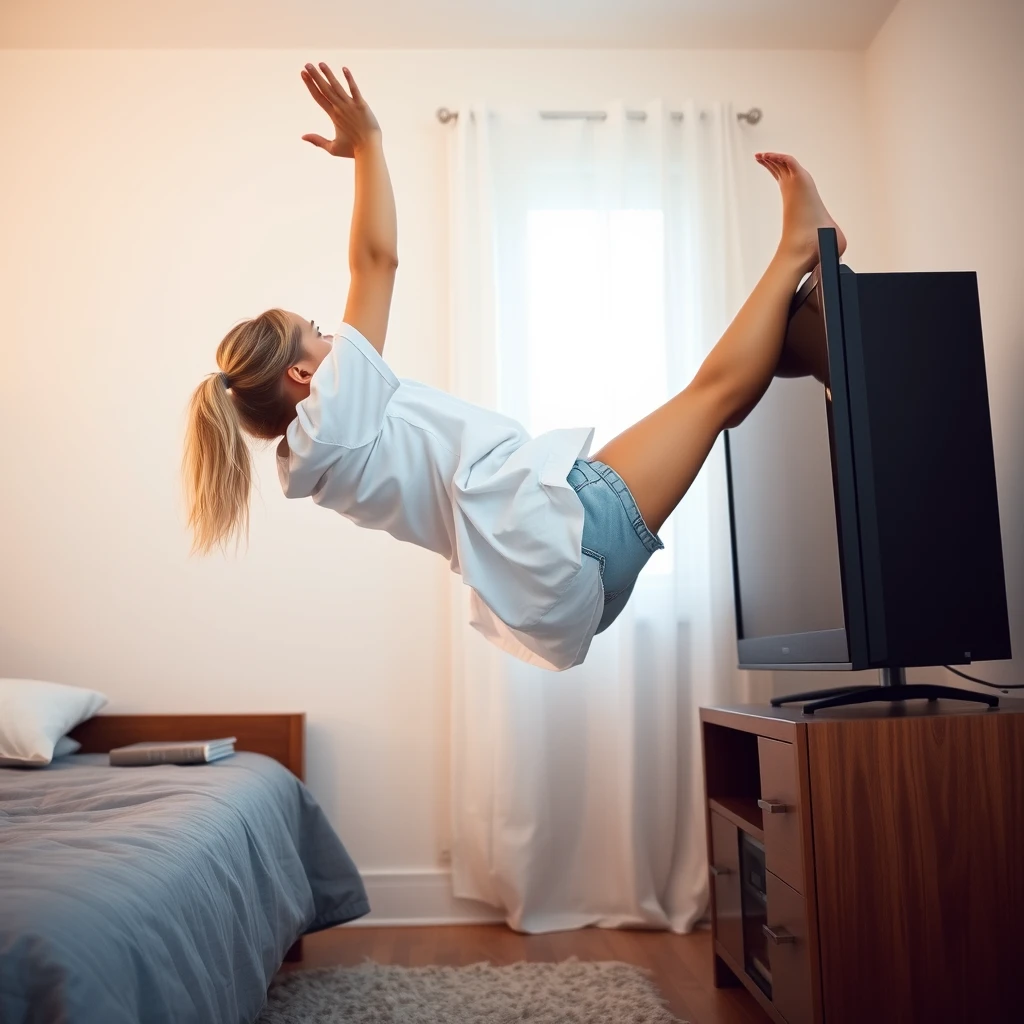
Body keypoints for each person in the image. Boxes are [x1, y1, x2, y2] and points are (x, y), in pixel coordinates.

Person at [183, 61, 845, 671]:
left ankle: (799, 335)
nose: (333, 335)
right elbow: (375, 262)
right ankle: (798, 251)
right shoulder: (333, 417)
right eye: (317, 333)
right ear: (300, 376)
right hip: (557, 538)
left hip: (552, 576)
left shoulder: (313, 459)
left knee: (735, 379)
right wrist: (368, 146)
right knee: (713, 394)